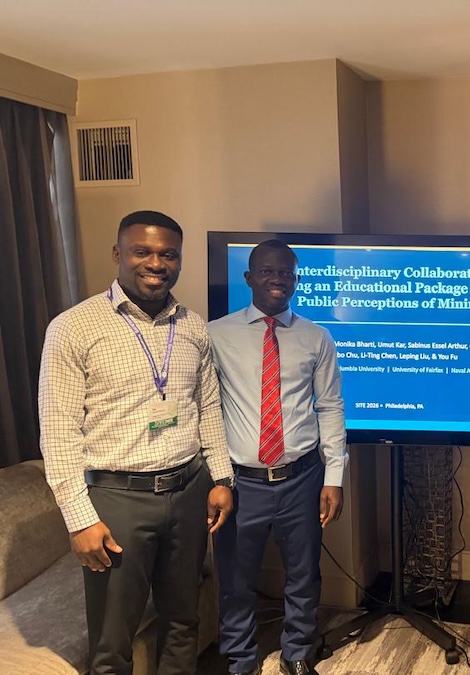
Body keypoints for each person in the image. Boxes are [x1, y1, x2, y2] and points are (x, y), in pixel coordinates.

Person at [38, 210, 235, 674]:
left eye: (168, 254)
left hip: (189, 491)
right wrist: (79, 520)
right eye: (142, 252)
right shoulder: (73, 327)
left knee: (183, 620)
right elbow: (58, 432)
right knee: (112, 643)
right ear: (117, 254)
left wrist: (221, 478)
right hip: (117, 499)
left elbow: (208, 407)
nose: (156, 263)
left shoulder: (192, 326)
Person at [207, 239, 347, 675]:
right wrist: (217, 477)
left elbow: (330, 407)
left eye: (286, 272)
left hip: (302, 478)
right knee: (236, 577)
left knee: (304, 574)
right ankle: (240, 658)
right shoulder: (216, 335)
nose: (278, 279)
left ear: (296, 280)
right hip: (240, 483)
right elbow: (205, 408)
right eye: (268, 271)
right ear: (248, 278)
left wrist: (334, 477)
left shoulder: (316, 337)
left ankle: (298, 652)